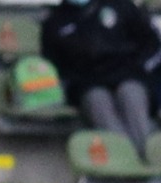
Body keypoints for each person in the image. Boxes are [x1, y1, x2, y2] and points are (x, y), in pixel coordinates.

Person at [42, 0, 159, 146]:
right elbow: (53, 66)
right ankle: (122, 158)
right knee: (98, 101)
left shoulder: (120, 6)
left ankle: (149, 155)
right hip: (87, 84)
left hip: (128, 75)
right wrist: (72, 83)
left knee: (130, 94)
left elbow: (150, 42)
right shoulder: (55, 21)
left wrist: (140, 68)